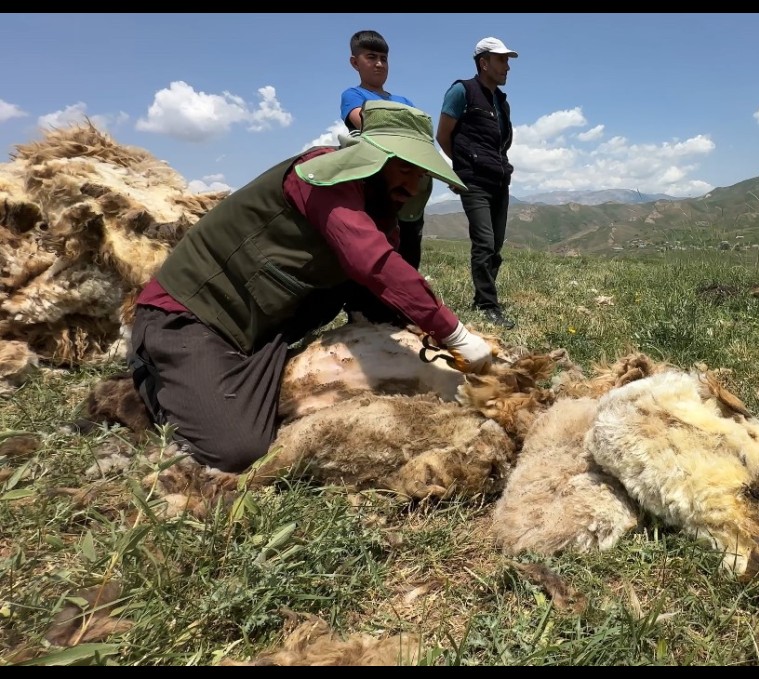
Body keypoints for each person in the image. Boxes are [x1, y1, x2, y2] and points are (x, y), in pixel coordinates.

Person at [127, 100, 495, 474]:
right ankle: (152, 379)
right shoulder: (322, 179)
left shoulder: (378, 209)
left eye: (419, 174)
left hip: (259, 333)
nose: (412, 185)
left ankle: (237, 377)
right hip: (189, 317)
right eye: (403, 169)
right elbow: (372, 262)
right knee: (237, 448)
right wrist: (454, 334)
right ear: (373, 160)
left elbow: (381, 286)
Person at [436, 36, 519, 330]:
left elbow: (501, 143)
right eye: (501, 60)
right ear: (484, 63)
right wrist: (462, 167)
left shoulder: (501, 102)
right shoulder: (462, 91)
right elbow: (443, 135)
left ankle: (482, 297)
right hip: (473, 182)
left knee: (495, 245)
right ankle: (488, 305)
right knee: (483, 242)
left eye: (507, 60)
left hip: (499, 179)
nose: (507, 66)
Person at [339, 29, 431, 270]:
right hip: (376, 183)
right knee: (377, 243)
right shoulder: (353, 95)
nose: (379, 64)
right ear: (354, 62)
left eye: (384, 58)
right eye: (371, 57)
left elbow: (423, 136)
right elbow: (366, 123)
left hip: (409, 182)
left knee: (410, 244)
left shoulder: (404, 101)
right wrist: (406, 129)